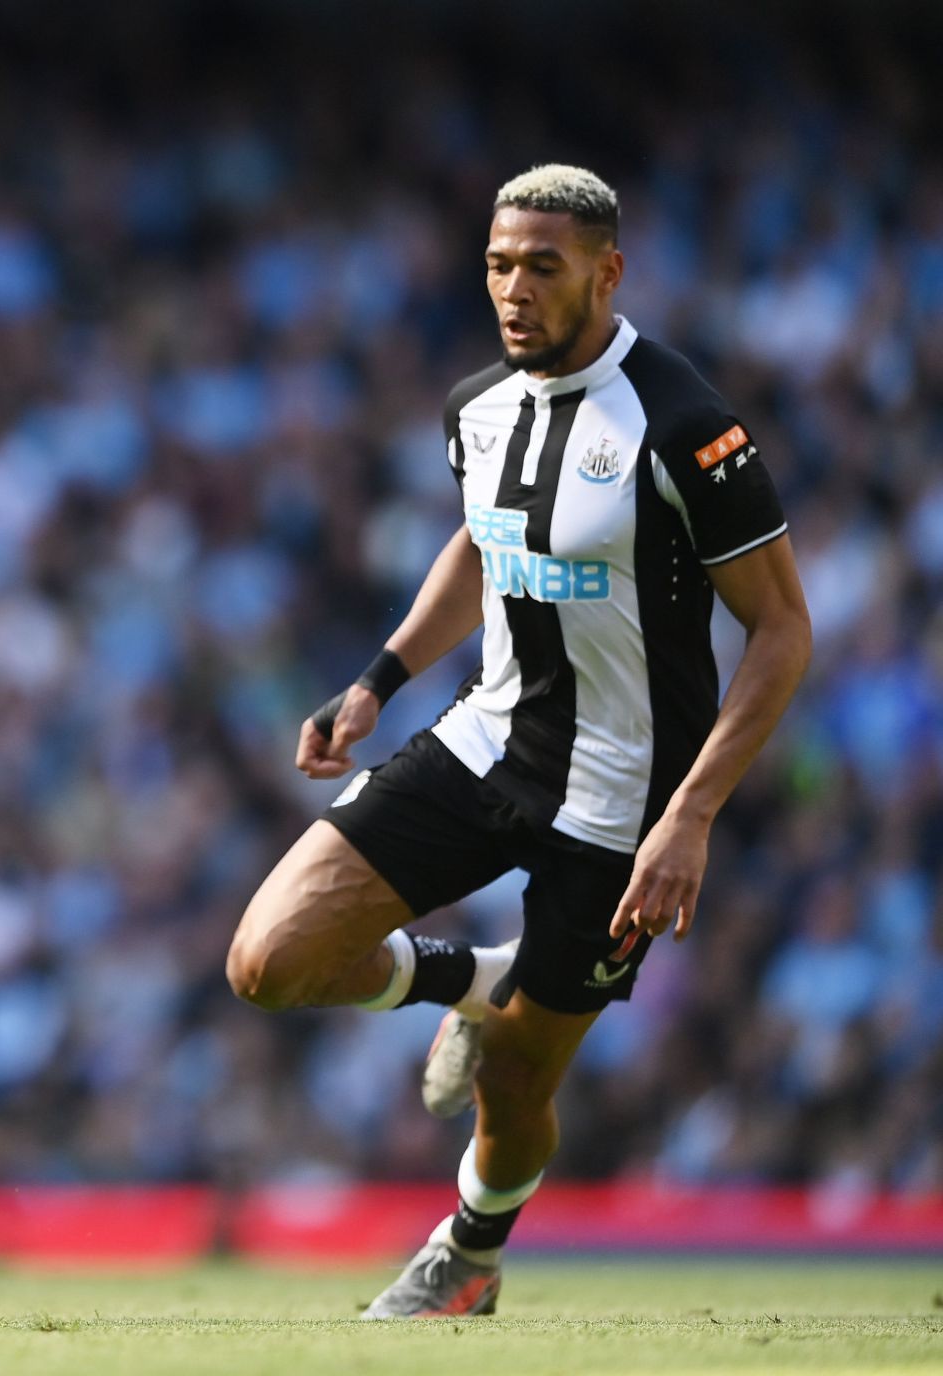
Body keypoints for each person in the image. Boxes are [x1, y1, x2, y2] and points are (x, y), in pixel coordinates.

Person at [225, 165, 812, 1318]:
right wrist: (378, 680)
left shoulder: (688, 426)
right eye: (499, 264)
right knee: (267, 961)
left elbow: (784, 630)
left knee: (518, 1074)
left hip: (625, 795)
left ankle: (470, 1253)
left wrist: (690, 813)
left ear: (608, 270)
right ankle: (473, 976)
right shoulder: (477, 405)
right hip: (484, 740)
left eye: (543, 265)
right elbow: (481, 545)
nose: (514, 288)